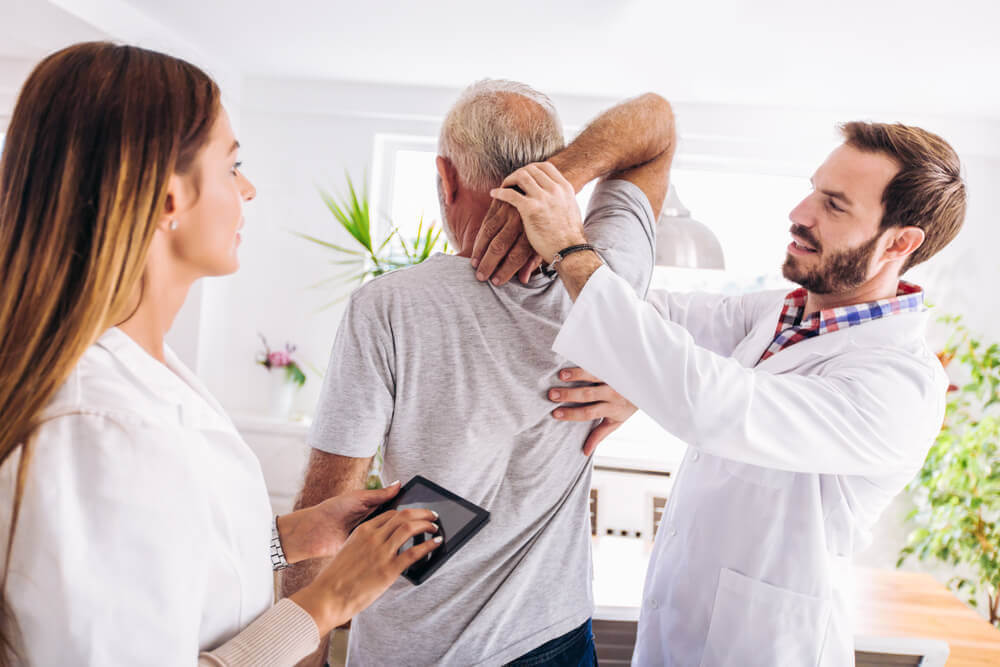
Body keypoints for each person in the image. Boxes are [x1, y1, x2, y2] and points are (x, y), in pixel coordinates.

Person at [0, 42, 441, 667]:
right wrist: (328, 602)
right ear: (165, 197)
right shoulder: (97, 430)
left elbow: (166, 565)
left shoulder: (145, 377)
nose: (250, 189)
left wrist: (290, 537)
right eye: (233, 166)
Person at [485, 122, 966, 665]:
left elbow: (714, 405)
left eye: (834, 206)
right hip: (677, 630)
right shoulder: (778, 313)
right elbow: (658, 318)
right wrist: (639, 378)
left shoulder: (898, 384)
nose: (800, 213)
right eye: (813, 189)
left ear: (899, 243)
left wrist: (571, 246)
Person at [282, 80, 675, 665]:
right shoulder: (601, 284)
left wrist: (301, 657)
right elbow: (657, 124)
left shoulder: (391, 306)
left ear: (445, 178)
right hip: (552, 642)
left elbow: (327, 499)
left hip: (411, 650)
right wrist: (559, 177)